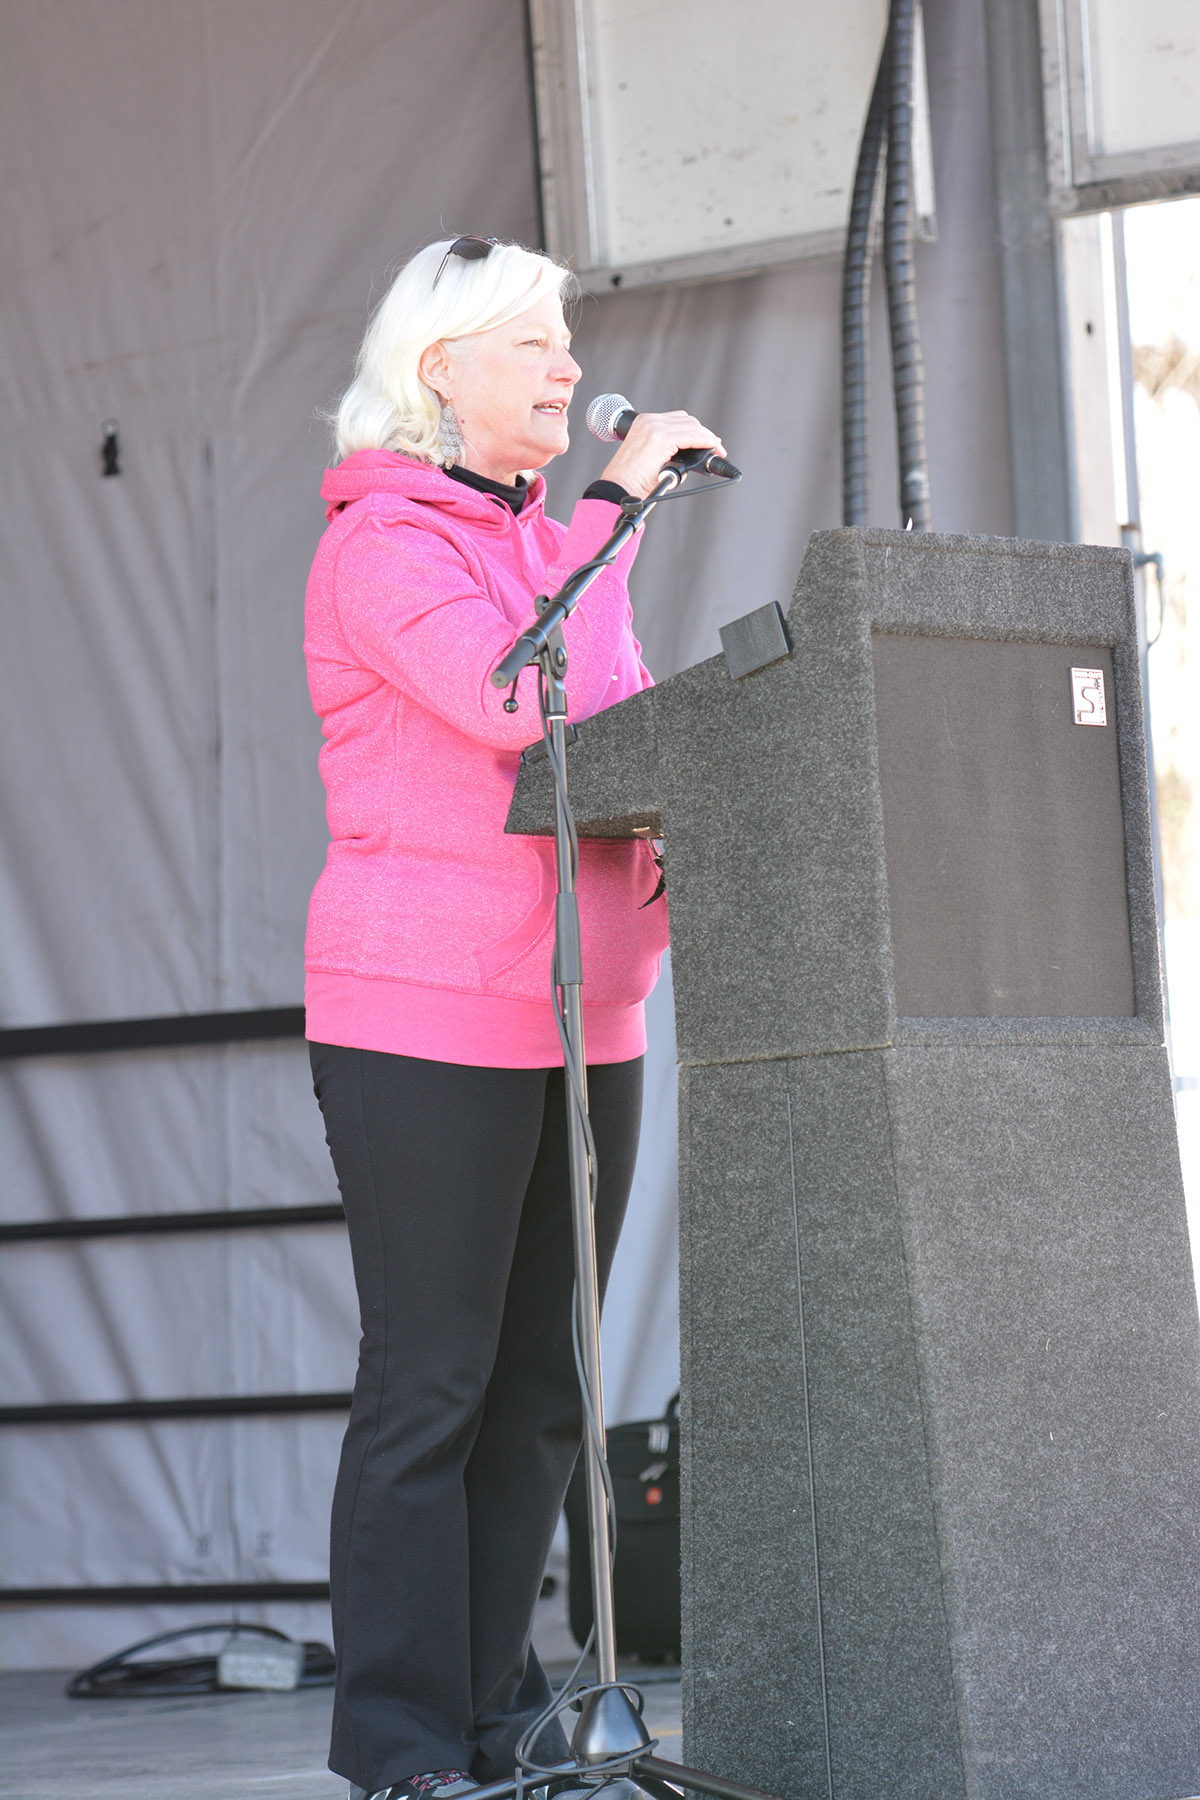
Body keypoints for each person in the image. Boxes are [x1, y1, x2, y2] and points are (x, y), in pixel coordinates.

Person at [304, 236, 725, 1800]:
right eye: (534, 343)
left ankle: (491, 1718)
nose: (567, 367)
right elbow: (508, 695)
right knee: (435, 1388)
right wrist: (615, 513)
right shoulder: (380, 548)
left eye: (568, 341)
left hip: (585, 1012)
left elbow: (615, 717)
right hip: (421, 1017)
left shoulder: (551, 543)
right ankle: (399, 1741)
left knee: (544, 1394)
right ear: (440, 372)